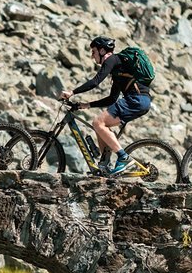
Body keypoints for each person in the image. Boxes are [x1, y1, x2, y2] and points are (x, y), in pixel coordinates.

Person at [59, 36, 152, 176]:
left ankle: (123, 157)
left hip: (136, 99)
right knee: (101, 126)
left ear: (102, 51)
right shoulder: (118, 69)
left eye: (93, 52)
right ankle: (104, 166)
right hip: (141, 101)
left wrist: (72, 92)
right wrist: (87, 105)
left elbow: (95, 81)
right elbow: (111, 99)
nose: (92, 56)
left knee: (98, 122)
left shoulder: (112, 60)